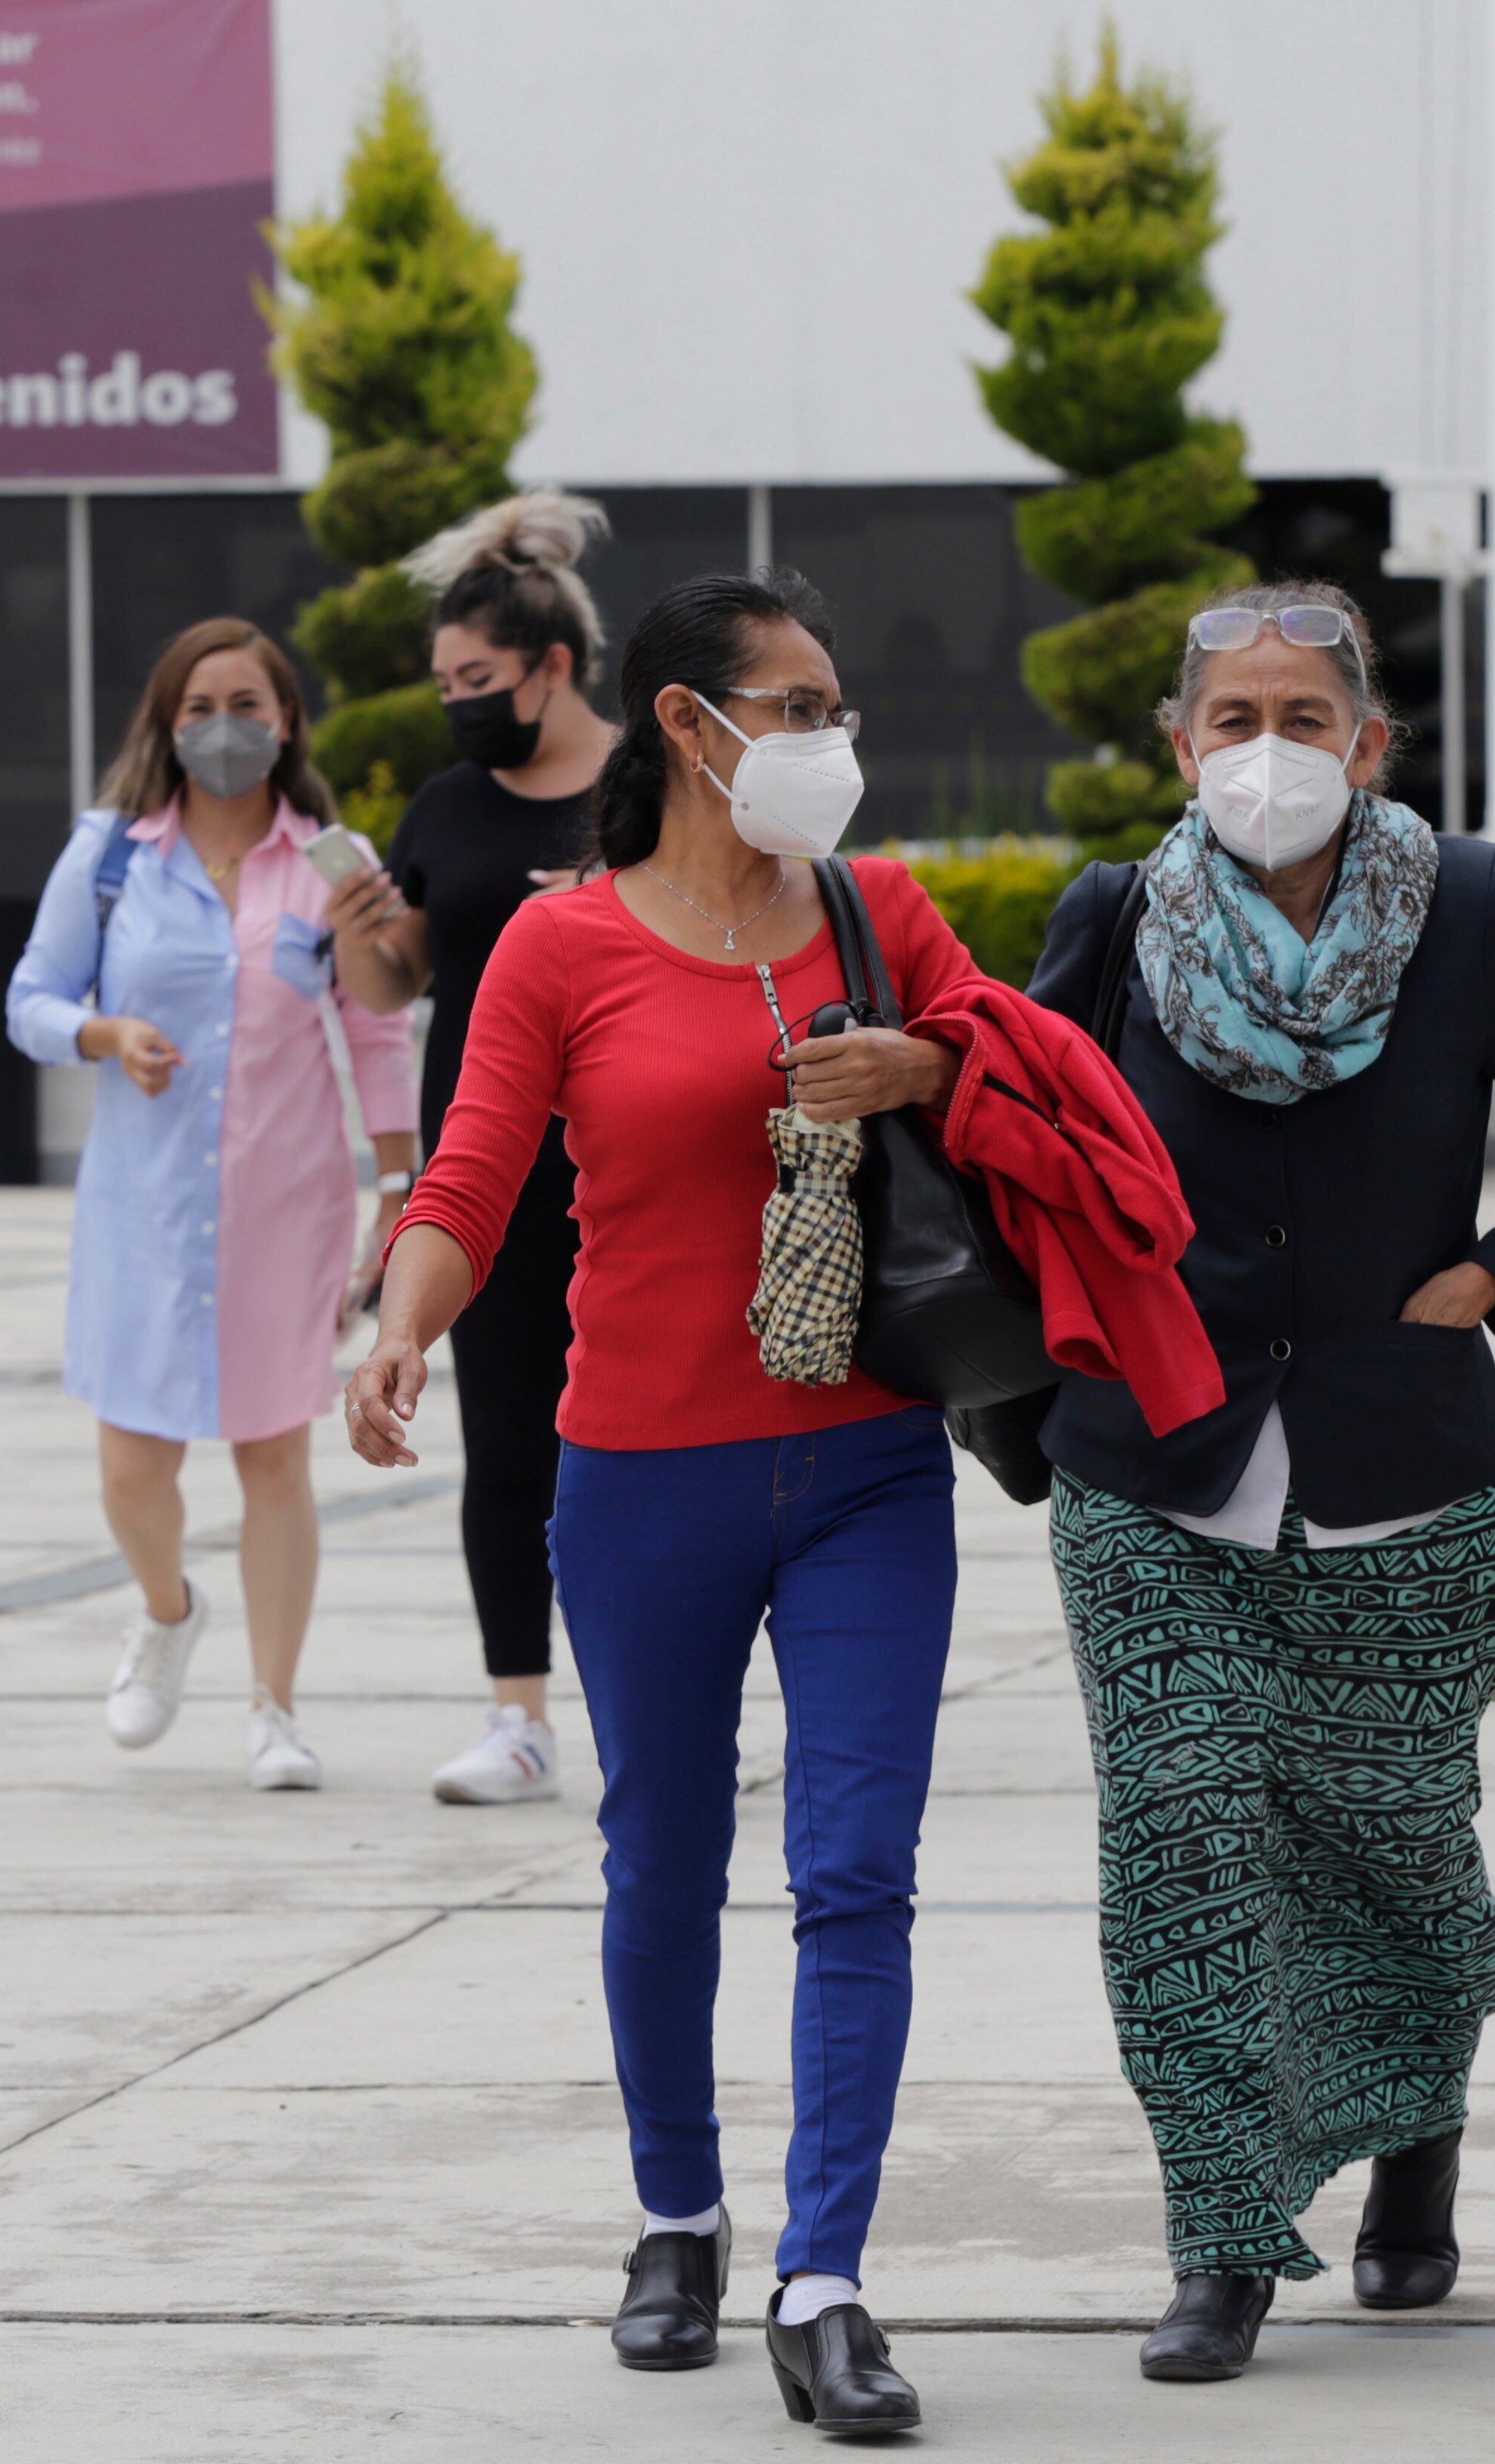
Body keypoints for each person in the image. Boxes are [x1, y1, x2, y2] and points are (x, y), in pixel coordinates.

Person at [346, 571, 979, 2435]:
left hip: (869, 1458)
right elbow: (471, 1173)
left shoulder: (884, 913)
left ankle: (828, 2272)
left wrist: (923, 1058)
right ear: (688, 725)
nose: (826, 739)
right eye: (793, 706)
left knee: (856, 1867)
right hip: (638, 1472)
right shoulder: (561, 947)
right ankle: (676, 2215)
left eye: (831, 703)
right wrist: (397, 1330)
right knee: (664, 1862)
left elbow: (1027, 1087)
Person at [1020, 581, 1495, 2383]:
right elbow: (1009, 1133)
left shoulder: (1468, 905)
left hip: (1404, 1466)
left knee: (1393, 1847)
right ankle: (1219, 2233)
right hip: (1153, 1474)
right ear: (1178, 740)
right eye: (1233, 719)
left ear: (1370, 742)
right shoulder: (1111, 915)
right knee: (1183, 1843)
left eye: (1306, 718)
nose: (1268, 753)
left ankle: (1417, 2128)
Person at [7, 619, 416, 1789]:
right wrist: (99, 1031)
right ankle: (166, 1607)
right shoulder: (112, 856)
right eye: (196, 708)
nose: (220, 727)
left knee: (272, 1455)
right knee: (134, 1464)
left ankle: (274, 1707)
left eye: (246, 702)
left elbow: (378, 1035)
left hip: (284, 1207)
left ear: (286, 720)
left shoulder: (332, 863)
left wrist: (398, 1187)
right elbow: (29, 998)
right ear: (164, 724)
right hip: (141, 1212)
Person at [336, 491, 618, 1807]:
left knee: (653, 1445)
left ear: (552, 666)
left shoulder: (652, 789)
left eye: (478, 677)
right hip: (489, 1174)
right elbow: (398, 983)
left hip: (640, 1167)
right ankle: (519, 1715)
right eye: (445, 679)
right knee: (507, 1443)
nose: (457, 700)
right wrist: (360, 929)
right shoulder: (450, 804)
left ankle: (660, 1699)